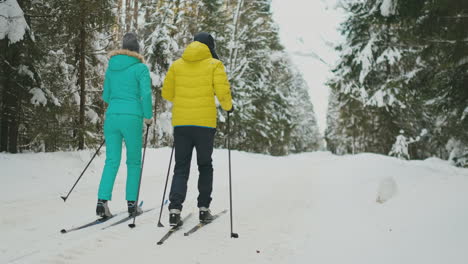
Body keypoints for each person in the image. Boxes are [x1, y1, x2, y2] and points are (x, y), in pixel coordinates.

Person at [162, 32, 233, 226]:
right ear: (210, 46)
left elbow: (167, 93)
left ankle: (174, 210)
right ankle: (204, 209)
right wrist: (229, 107)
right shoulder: (214, 64)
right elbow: (222, 90)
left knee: (181, 167)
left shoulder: (177, 65)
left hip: (182, 124)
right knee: (205, 165)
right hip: (204, 125)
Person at [96, 32, 153, 218]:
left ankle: (102, 202)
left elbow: (106, 96)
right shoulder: (141, 68)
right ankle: (132, 204)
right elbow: (145, 94)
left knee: (111, 160)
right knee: (134, 161)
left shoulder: (112, 67)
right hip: (132, 117)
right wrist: (148, 117)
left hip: (112, 117)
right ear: (137, 51)